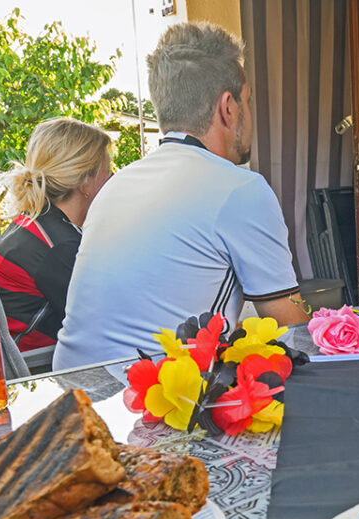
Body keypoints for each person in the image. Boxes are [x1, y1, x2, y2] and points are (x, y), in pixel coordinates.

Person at [51, 21, 308, 371]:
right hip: (150, 396)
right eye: (247, 101)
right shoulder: (240, 188)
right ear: (228, 108)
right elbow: (291, 327)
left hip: (73, 390)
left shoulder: (117, 184)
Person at [0, 117, 114, 351]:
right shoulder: (58, 247)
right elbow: (108, 323)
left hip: (13, 362)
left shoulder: (35, 227)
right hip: (35, 369)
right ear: (85, 182)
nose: (113, 178)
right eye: (108, 170)